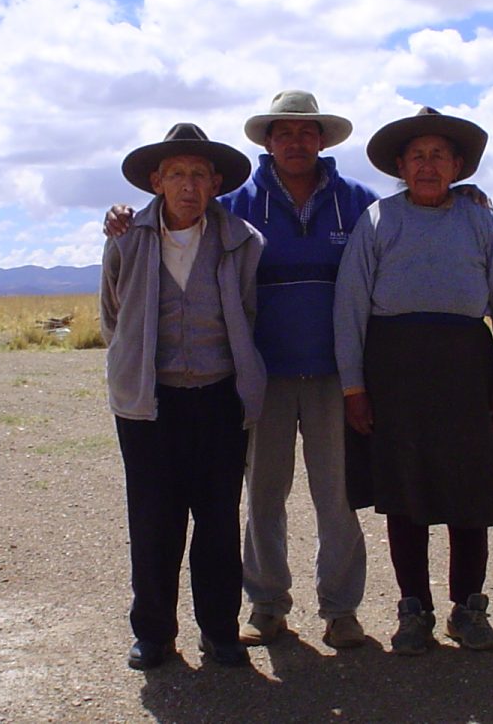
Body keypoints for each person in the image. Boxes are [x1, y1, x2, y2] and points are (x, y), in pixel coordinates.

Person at [107, 90, 378, 650]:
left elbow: (401, 227)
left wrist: (464, 194)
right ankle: (267, 606)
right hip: (262, 378)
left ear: (322, 139)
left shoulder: (357, 203)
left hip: (334, 375)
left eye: (306, 131)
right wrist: (120, 216)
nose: (296, 141)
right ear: (267, 141)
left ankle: (341, 610)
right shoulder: (238, 205)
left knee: (337, 498)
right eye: (284, 132)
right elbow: (120, 307)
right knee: (262, 499)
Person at [333, 106, 493, 656]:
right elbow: (349, 308)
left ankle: (468, 609)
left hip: (467, 372)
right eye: (417, 156)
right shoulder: (377, 220)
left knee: (469, 494)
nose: (427, 165)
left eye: (439, 155)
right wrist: (354, 388)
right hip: (394, 375)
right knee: (404, 495)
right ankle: (413, 609)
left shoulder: (480, 222)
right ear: (400, 166)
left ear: (457, 166)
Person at [101, 122, 266, 670]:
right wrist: (133, 367)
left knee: (218, 522)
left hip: (219, 399)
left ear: (216, 183)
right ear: (157, 182)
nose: (188, 185)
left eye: (199, 174)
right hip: (149, 404)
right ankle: (153, 634)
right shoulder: (127, 237)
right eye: (176, 174)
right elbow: (113, 316)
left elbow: (247, 314)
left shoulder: (242, 240)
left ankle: (219, 631)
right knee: (153, 521)